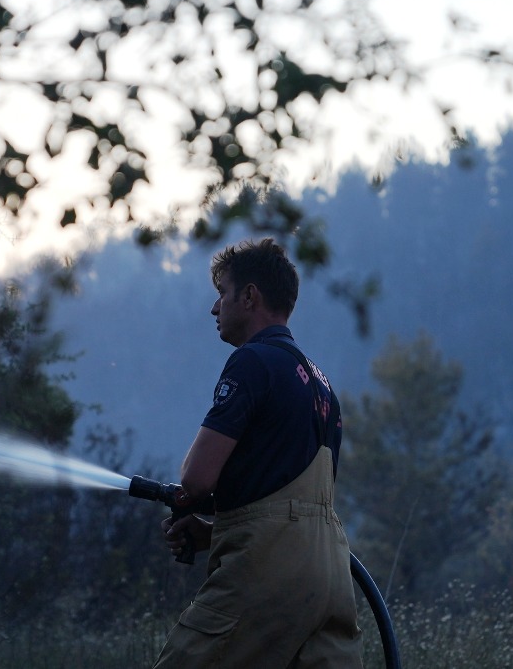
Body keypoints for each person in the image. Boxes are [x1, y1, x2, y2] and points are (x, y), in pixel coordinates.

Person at [152, 238, 363, 669]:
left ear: (249, 297)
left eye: (222, 293)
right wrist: (214, 532)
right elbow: (287, 500)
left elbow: (197, 480)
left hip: (268, 573)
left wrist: (190, 500)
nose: (214, 308)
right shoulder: (321, 386)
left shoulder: (253, 362)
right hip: (330, 574)